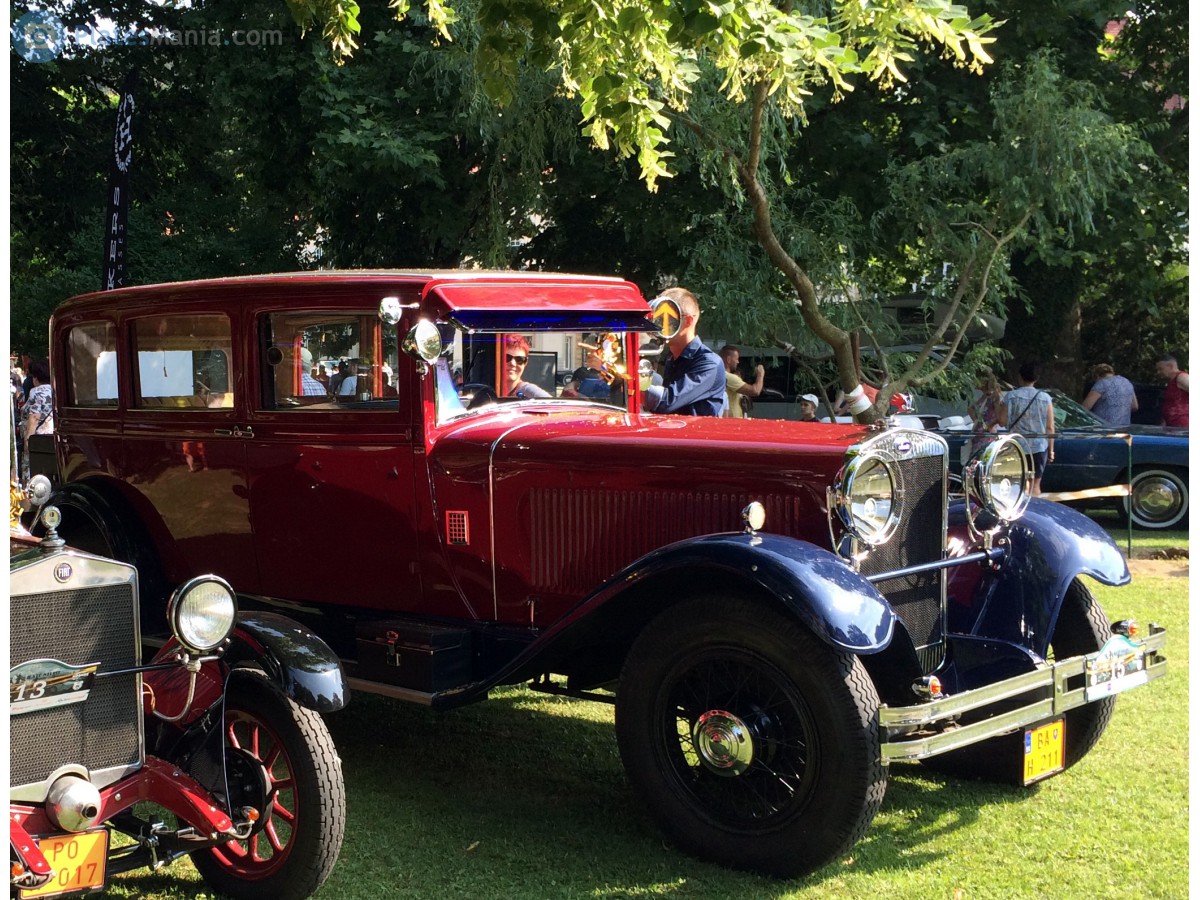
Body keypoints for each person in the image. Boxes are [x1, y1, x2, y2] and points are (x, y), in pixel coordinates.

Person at [642, 287, 726, 416]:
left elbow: (666, 402)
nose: (660, 326)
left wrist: (626, 381)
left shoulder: (710, 363)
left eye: (667, 318)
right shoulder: (673, 359)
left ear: (688, 321)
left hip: (698, 436)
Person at [1002, 361, 1054, 496]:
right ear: (1037, 378)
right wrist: (1051, 449)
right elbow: (1050, 427)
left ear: (1019, 376)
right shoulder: (1045, 398)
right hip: (1039, 446)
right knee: (1035, 484)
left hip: (1016, 446)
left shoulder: (1011, 396)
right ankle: (1034, 510)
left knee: (1017, 483)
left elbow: (1003, 421)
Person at [967, 370, 1009, 452]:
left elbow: (999, 417)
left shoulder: (994, 397)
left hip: (987, 435)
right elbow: (970, 410)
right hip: (980, 434)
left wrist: (989, 425)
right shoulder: (986, 396)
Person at [718, 345, 765, 419]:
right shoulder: (729, 377)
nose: (738, 362)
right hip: (732, 421)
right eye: (736, 359)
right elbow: (755, 391)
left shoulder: (720, 374)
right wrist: (760, 374)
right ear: (728, 359)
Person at [501, 334, 551, 399]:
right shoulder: (488, 390)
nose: (513, 363)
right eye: (507, 358)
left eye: (519, 359)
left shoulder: (529, 391)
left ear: (525, 363)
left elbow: (556, 407)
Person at [21, 359, 54, 440]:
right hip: (52, 436)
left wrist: (28, 441)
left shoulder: (36, 391)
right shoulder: (55, 390)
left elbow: (34, 417)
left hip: (38, 439)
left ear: (35, 377)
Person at [1155, 354, 1189, 427]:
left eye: (1160, 369)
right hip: (1173, 426)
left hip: (1183, 427)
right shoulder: (1171, 382)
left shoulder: (1182, 378)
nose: (1158, 372)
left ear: (1170, 366)